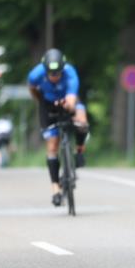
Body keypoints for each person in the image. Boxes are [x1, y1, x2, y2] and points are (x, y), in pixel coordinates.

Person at [28, 48, 89, 207]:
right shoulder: (36, 75)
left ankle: (80, 149)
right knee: (53, 144)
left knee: (81, 122)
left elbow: (71, 101)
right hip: (47, 104)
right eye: (51, 74)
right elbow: (32, 89)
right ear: (45, 70)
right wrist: (42, 101)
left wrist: (68, 107)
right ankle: (55, 189)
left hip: (67, 100)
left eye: (58, 73)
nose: (55, 77)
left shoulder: (70, 73)